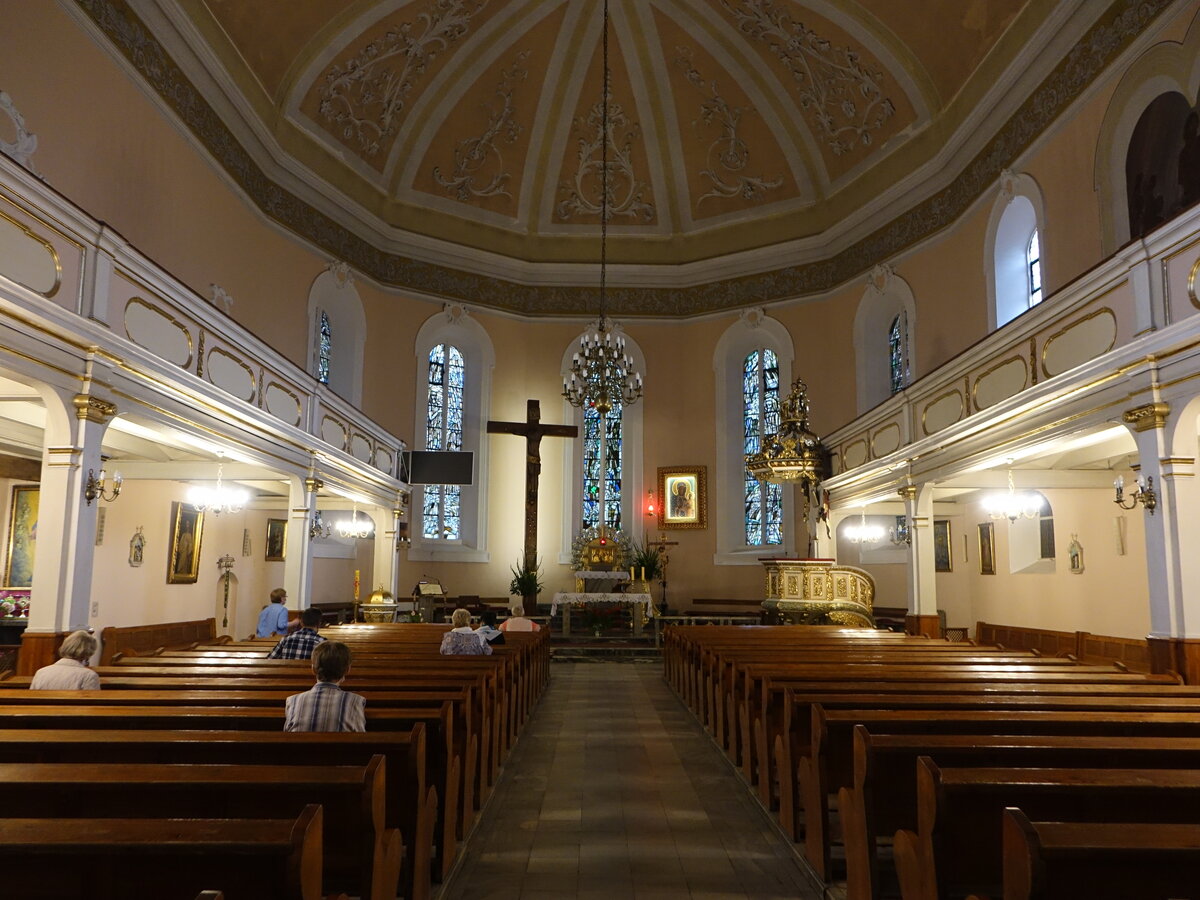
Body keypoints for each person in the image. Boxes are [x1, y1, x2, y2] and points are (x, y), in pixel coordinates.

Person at [283, 640, 365, 732]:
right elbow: (360, 737)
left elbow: (287, 733)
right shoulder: (356, 701)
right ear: (347, 670)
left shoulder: (293, 701)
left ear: (313, 669)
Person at [30, 630, 100, 690]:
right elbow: (93, 703)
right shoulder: (89, 676)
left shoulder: (41, 672)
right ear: (88, 653)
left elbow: (31, 700)